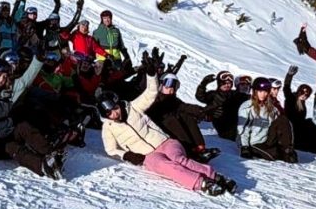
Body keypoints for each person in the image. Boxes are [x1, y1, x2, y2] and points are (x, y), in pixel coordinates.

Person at [99, 72, 235, 196]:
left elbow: (151, 92)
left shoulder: (133, 108)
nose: (114, 114)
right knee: (167, 166)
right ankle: (203, 183)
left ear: (119, 104)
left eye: (115, 108)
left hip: (165, 142)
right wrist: (127, 155)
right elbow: (110, 149)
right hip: (147, 155)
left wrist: (151, 74)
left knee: (179, 159)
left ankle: (215, 176)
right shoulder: (108, 128)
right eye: (109, 113)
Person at [0, 55, 63, 179]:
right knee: (13, 147)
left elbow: (25, 81)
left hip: (7, 132)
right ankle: (42, 166)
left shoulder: (8, 93)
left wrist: (39, 59)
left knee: (24, 126)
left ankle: (51, 153)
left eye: (4, 76)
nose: (1, 80)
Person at [144, 72, 219, 162]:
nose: (170, 90)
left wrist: (202, 111)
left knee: (187, 117)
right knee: (172, 120)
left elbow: (186, 107)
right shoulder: (154, 99)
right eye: (167, 88)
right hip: (157, 128)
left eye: (173, 88)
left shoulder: (173, 100)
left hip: (168, 126)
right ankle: (189, 152)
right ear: (160, 86)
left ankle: (199, 148)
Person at [237, 77, 297, 162]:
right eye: (260, 91)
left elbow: (280, 125)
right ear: (255, 91)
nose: (263, 94)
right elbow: (243, 129)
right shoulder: (247, 107)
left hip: (267, 139)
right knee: (273, 156)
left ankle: (287, 149)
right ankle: (277, 152)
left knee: (283, 119)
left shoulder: (271, 108)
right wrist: (245, 147)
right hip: (253, 142)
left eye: (265, 92)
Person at [195, 70, 247, 141]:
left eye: (229, 83)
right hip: (223, 128)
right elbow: (200, 96)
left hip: (236, 125)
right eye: (224, 83)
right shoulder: (213, 95)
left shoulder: (235, 94)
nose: (227, 85)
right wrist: (203, 84)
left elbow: (249, 98)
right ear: (219, 83)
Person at [282, 65, 316, 153]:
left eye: (307, 94)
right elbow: (286, 87)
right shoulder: (291, 98)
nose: (304, 95)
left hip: (300, 126)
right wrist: (289, 75)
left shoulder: (302, 103)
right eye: (302, 92)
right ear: (298, 91)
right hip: (290, 126)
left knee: (313, 123)